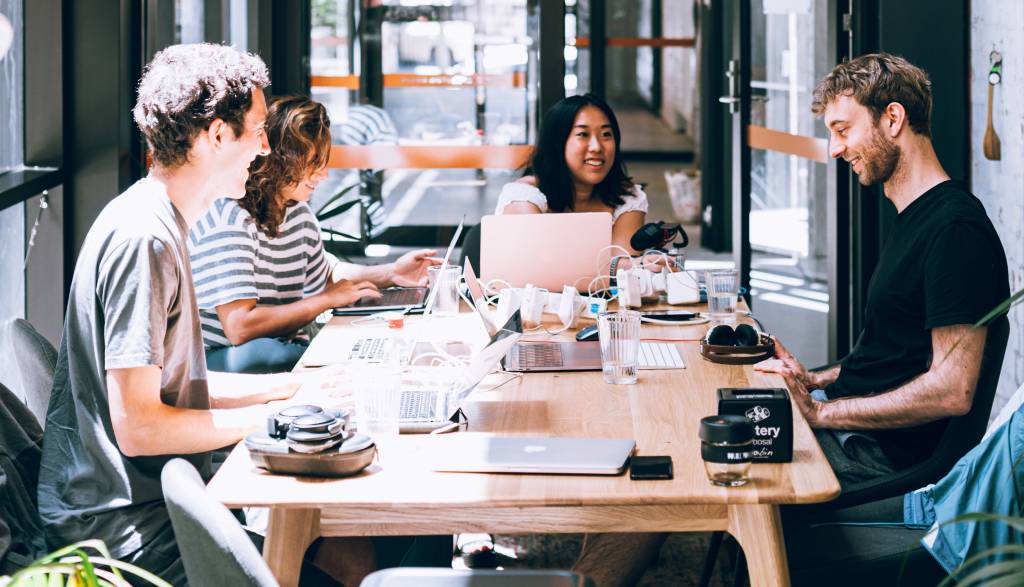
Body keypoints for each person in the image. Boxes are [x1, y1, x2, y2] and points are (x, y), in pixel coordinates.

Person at [571, 53, 1011, 587]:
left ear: (893, 119)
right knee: (668, 439)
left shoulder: (954, 231)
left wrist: (824, 414)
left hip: (876, 457)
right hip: (852, 434)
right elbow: (897, 357)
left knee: (679, 461)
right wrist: (815, 379)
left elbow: (951, 390)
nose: (835, 148)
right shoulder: (913, 216)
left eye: (843, 129)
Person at [35, 43, 292, 583]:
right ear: (217, 134)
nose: (265, 147)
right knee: (346, 552)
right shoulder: (144, 241)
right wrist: (278, 422)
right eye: (257, 129)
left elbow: (171, 387)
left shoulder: (154, 219)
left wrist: (288, 392)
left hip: (141, 506)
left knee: (328, 542)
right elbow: (141, 428)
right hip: (124, 530)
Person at [189, 95, 439, 374]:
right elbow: (239, 328)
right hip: (219, 358)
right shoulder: (231, 219)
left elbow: (328, 273)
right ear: (281, 161)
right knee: (274, 355)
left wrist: (391, 272)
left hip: (276, 346)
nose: (323, 175)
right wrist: (327, 300)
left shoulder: (298, 214)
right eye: (313, 163)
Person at [495, 93, 648, 254]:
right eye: (583, 134)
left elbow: (624, 265)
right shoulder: (523, 196)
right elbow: (537, 262)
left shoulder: (628, 198)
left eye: (606, 135)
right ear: (557, 143)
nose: (596, 147)